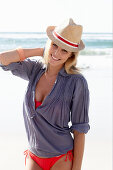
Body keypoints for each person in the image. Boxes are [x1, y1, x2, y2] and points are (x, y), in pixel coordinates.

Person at [0, 18, 90, 170]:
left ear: (71, 55)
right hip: (34, 155)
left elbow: (79, 130)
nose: (57, 53)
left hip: (61, 157)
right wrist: (40, 51)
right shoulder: (35, 69)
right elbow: (3, 59)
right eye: (55, 45)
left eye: (64, 50)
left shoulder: (76, 82)